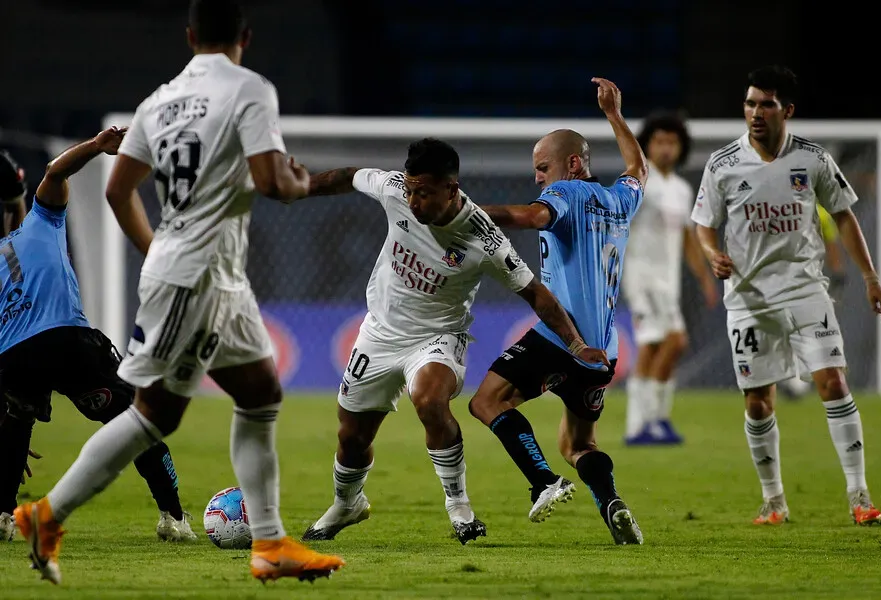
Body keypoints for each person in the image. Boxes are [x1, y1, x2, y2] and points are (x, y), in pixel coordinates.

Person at [14, 0, 345, 585]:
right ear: (245, 36)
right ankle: (46, 516)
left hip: (208, 273)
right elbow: (273, 183)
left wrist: (155, 250)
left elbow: (118, 191)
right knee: (152, 416)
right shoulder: (250, 89)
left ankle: (270, 544)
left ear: (190, 36)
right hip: (199, 275)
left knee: (260, 394)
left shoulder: (158, 102)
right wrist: (299, 182)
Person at [298, 138, 608, 545]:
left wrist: (576, 345)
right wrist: (299, 186)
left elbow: (535, 293)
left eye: (424, 193)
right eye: (411, 190)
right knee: (352, 437)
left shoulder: (484, 238)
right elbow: (348, 176)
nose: (413, 201)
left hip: (438, 336)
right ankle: (347, 503)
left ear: (451, 188)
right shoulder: (394, 190)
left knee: (429, 399)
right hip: (380, 334)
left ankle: (459, 508)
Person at [691, 65, 881, 526]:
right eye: (750, 103)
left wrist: (870, 277)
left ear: (787, 110)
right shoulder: (722, 164)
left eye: (766, 104)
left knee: (833, 382)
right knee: (758, 401)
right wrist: (712, 253)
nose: (756, 113)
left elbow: (844, 217)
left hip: (805, 290)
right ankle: (774, 499)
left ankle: (859, 495)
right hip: (749, 299)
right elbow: (703, 224)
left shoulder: (813, 160)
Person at [468, 78, 648, 545]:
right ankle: (612, 503)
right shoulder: (619, 200)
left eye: (542, 167)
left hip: (562, 336)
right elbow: (638, 169)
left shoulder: (567, 193)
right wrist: (615, 115)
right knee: (579, 444)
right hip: (602, 352)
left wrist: (464, 212)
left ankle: (543, 481)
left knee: (486, 402)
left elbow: (531, 217)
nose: (537, 178)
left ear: (572, 164)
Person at [0, 134, 195, 544]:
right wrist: (96, 145)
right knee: (137, 422)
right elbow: (55, 171)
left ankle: (2, 516)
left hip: (13, 358)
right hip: (66, 342)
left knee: (16, 421)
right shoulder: (42, 220)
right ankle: (173, 517)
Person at [622, 112, 718, 445]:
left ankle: (650, 423)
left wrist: (704, 277)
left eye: (672, 142)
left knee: (661, 346)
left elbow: (688, 238)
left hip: (668, 282)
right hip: (642, 278)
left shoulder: (681, 189)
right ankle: (646, 422)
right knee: (667, 342)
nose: (666, 148)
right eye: (659, 141)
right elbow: (616, 227)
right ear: (647, 145)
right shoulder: (638, 183)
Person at [780, 204, 846, 399]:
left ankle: (799, 381)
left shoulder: (821, 214)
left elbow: (831, 244)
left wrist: (838, 272)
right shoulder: (782, 208)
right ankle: (795, 378)